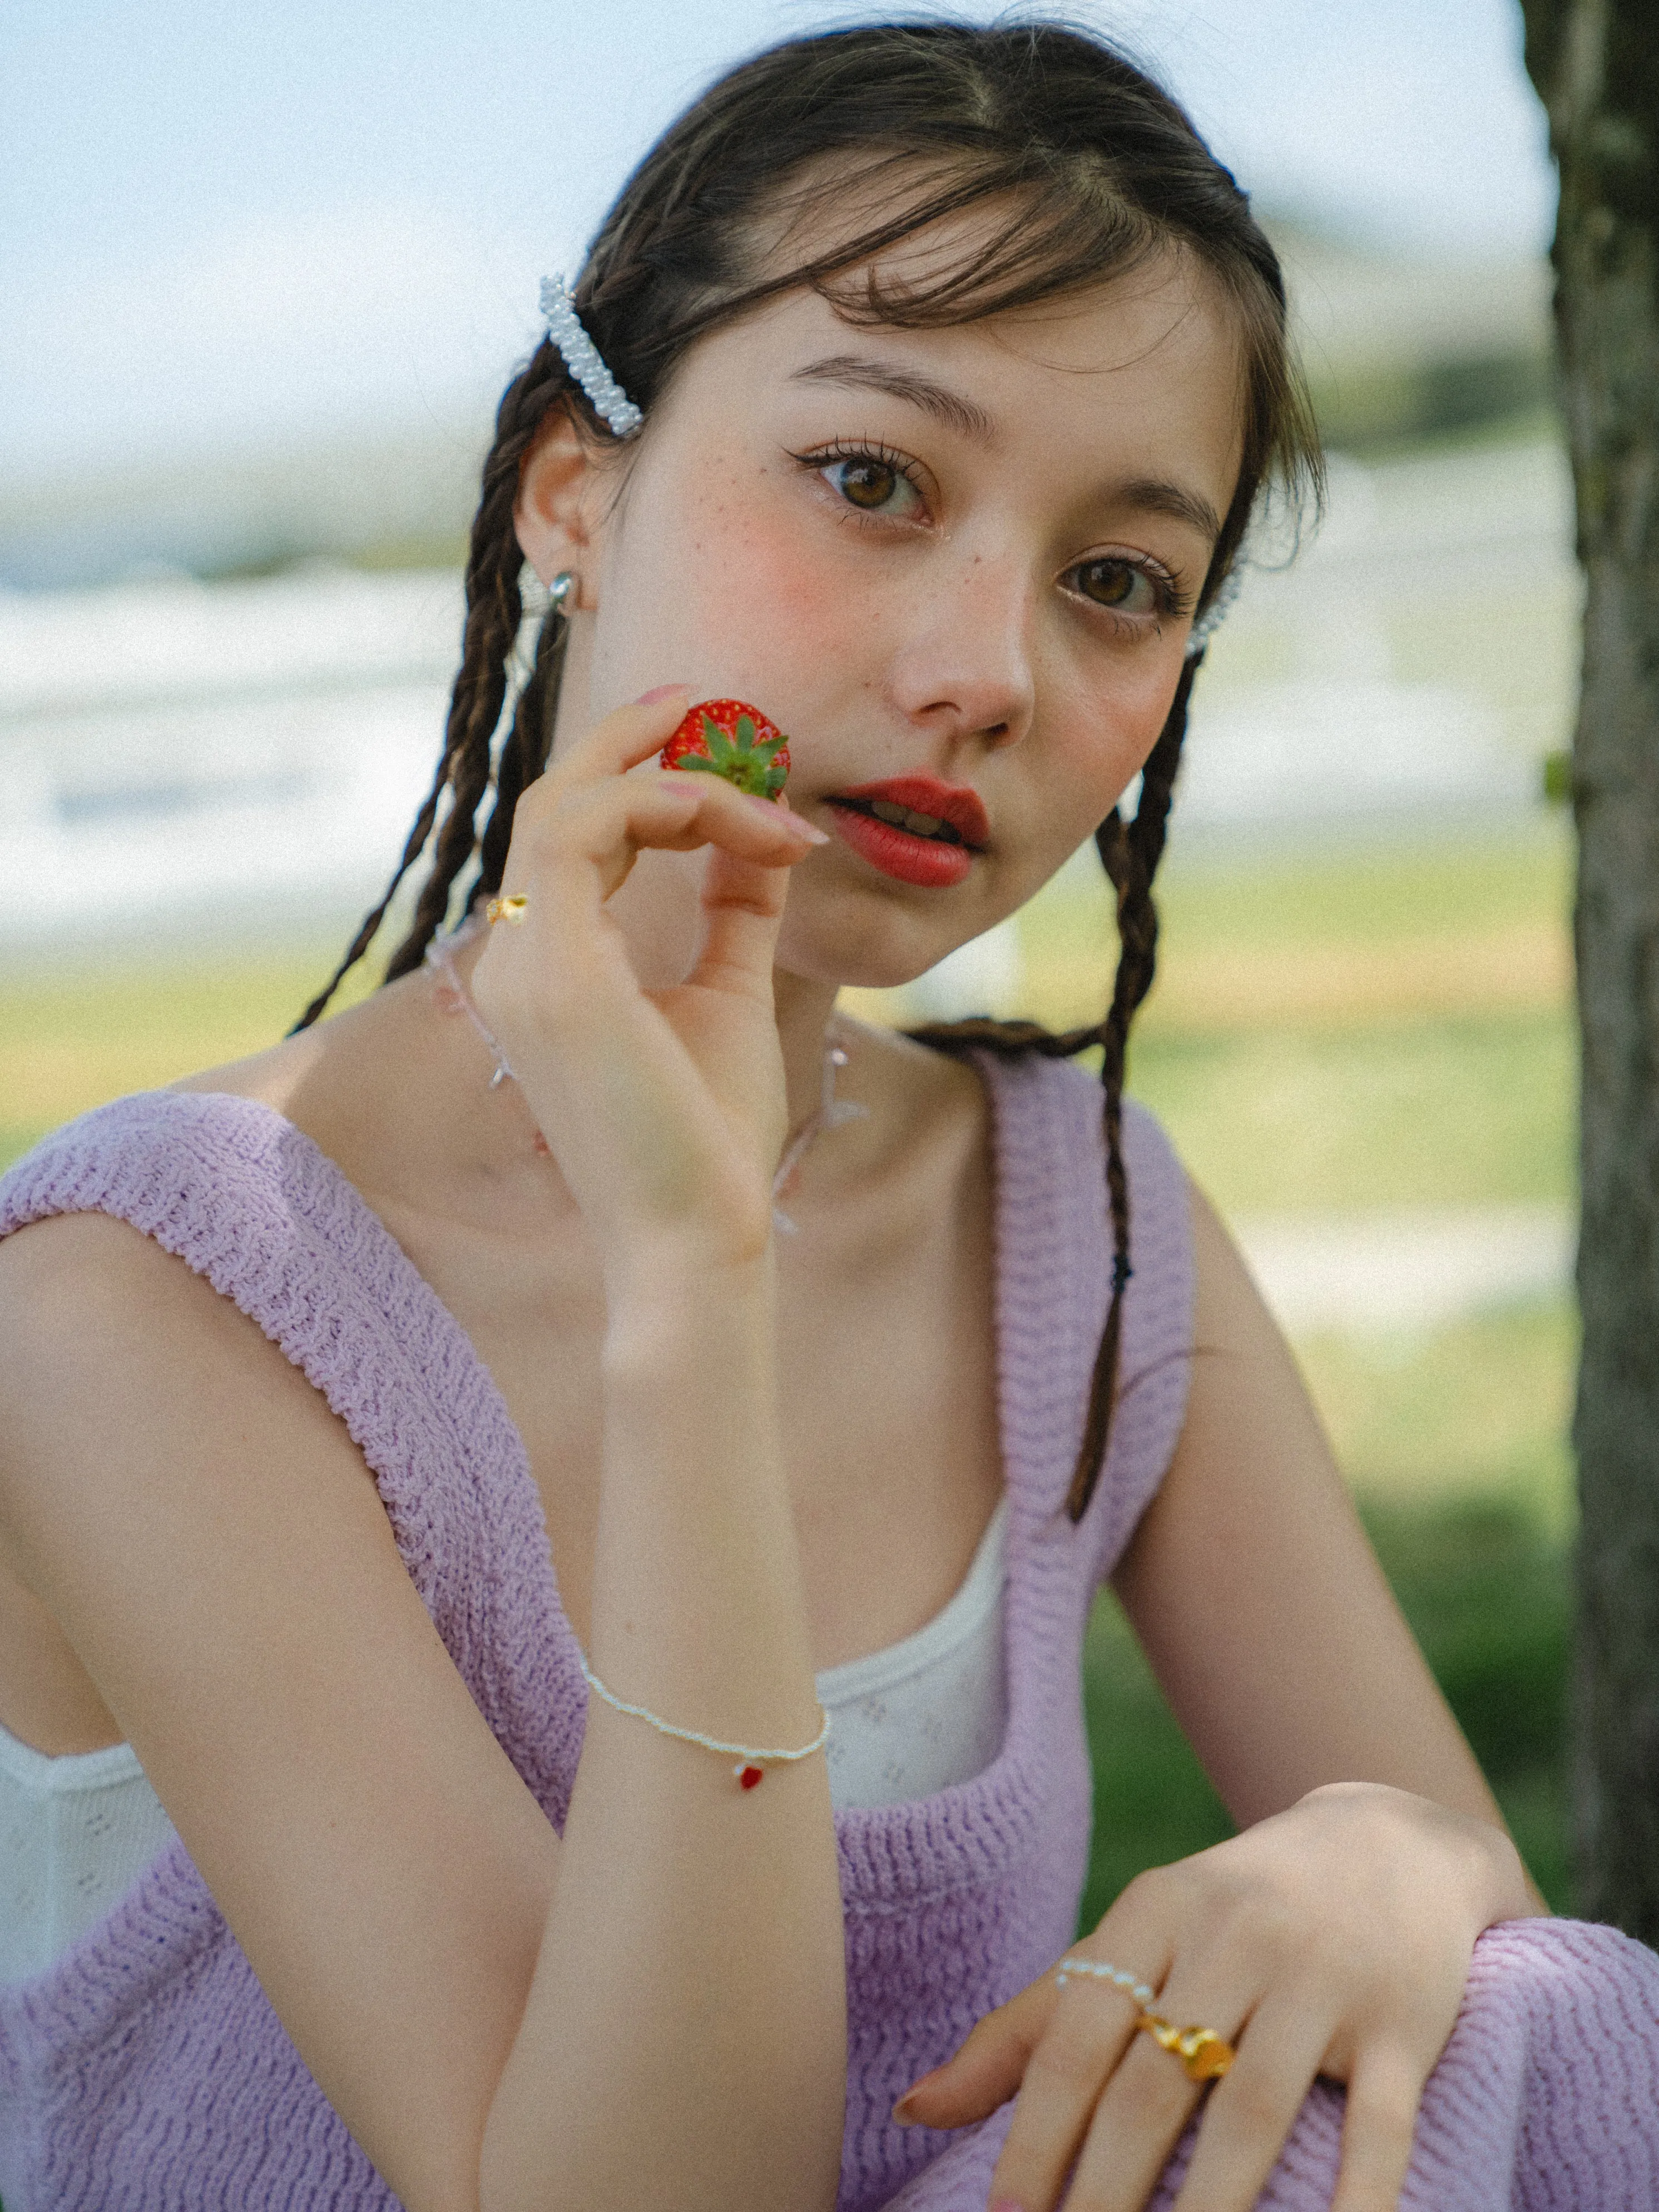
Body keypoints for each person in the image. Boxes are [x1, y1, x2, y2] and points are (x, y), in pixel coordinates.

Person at [2, 21, 1657, 2212]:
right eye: (871, 480)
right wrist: (694, 1282)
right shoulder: (146, 1295)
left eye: (1119, 580)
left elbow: (1471, 1988)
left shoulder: (1074, 1214)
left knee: (1556, 2019)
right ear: (566, 485)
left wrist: (1399, 1853)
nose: (989, 663)